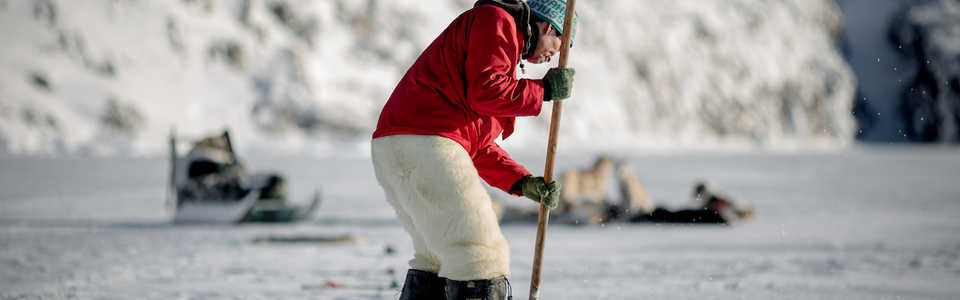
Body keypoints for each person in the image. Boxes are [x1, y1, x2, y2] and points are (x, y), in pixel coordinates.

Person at [370, 0, 578, 298]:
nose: (549, 58)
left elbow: (474, 145)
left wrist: (521, 181)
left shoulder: (493, 37)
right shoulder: (498, 20)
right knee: (481, 257)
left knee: (438, 258)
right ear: (548, 26)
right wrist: (542, 91)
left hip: (397, 147)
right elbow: (487, 92)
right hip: (428, 143)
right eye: (557, 45)